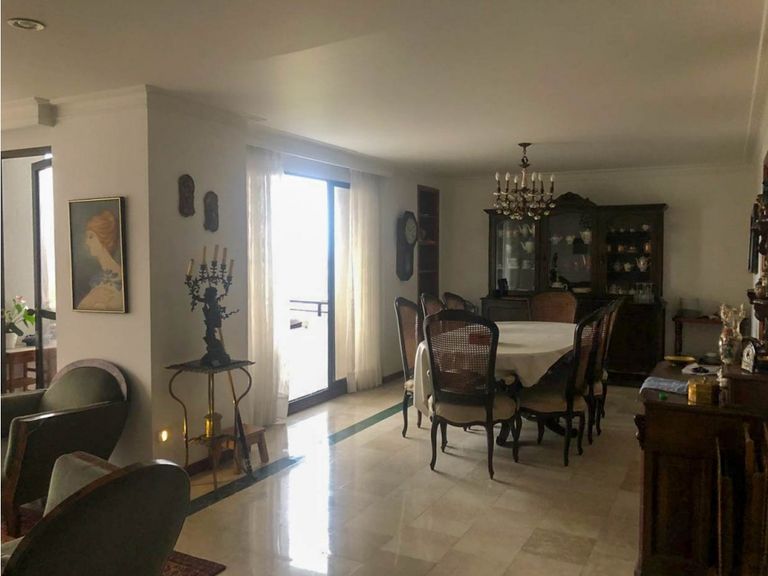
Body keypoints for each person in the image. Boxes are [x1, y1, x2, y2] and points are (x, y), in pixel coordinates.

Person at [77, 209, 123, 311]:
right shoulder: (100, 278)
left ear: (103, 239)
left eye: (91, 236)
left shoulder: (116, 277)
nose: (87, 242)